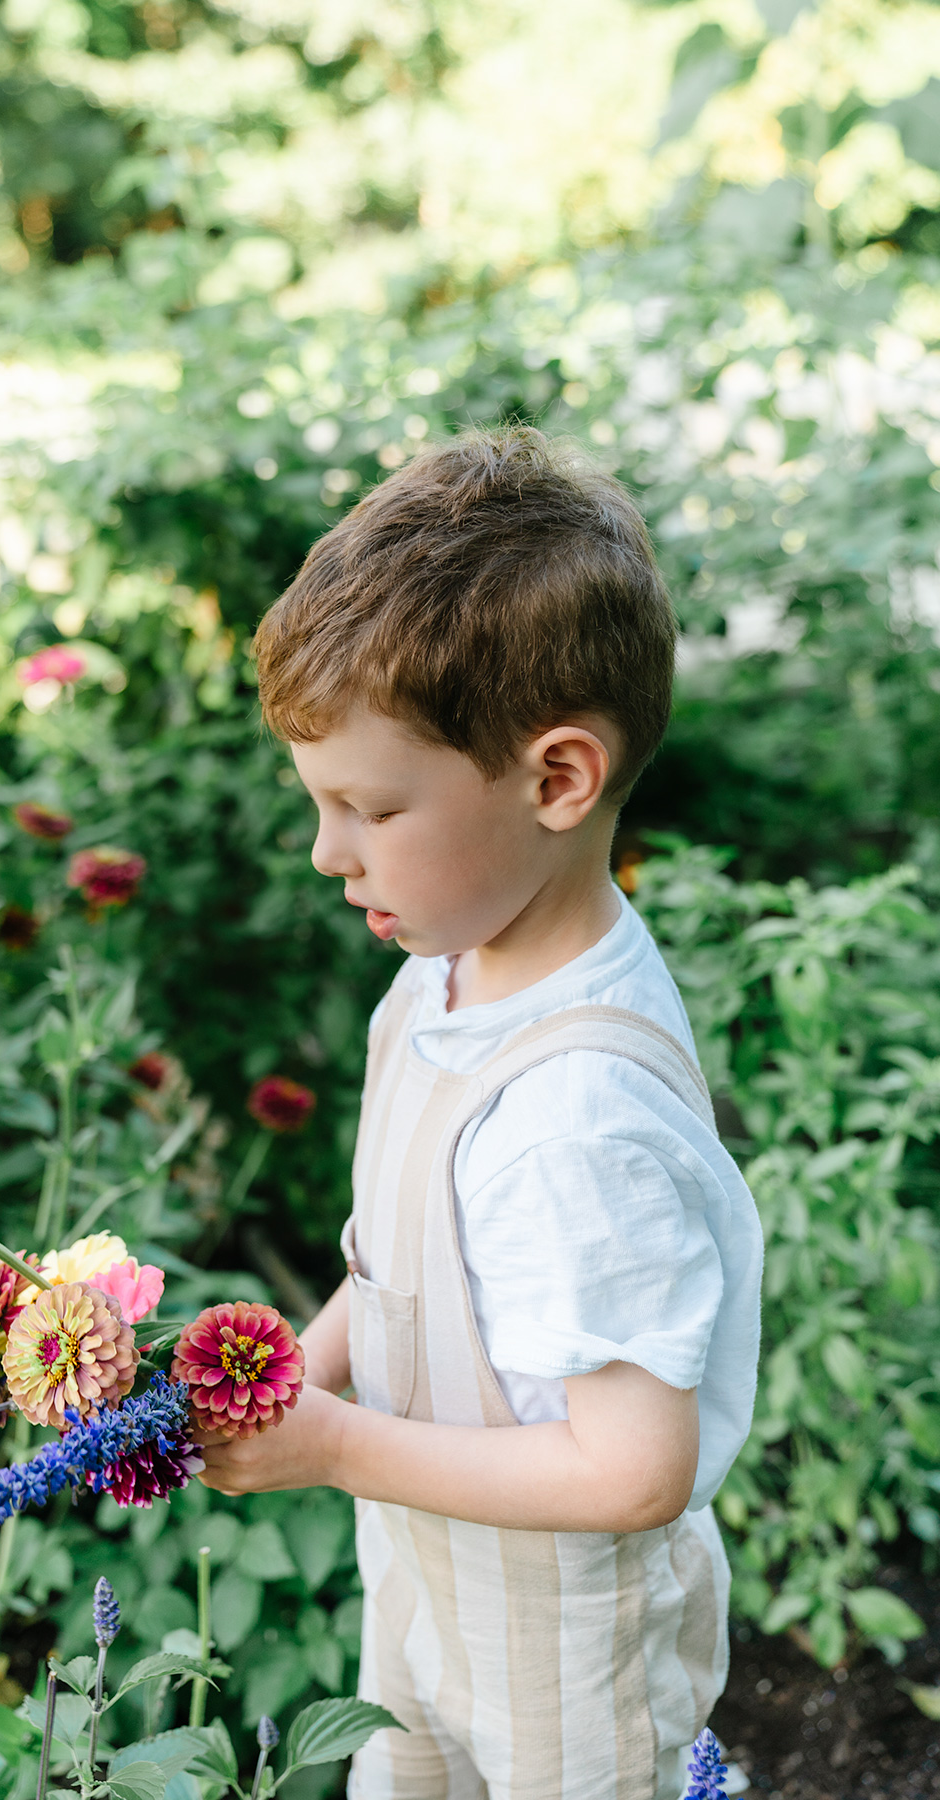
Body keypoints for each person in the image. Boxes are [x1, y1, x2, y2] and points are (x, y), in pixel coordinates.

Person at [197, 425, 764, 1800]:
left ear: (557, 780)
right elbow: (404, 1272)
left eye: (368, 808)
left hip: (573, 1663)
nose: (329, 853)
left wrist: (334, 1451)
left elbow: (632, 1470)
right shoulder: (445, 976)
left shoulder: (576, 1117)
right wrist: (305, 1365)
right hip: (430, 1584)